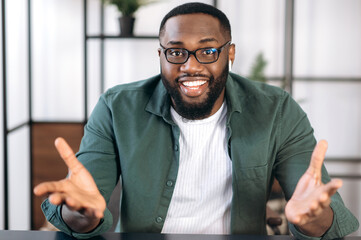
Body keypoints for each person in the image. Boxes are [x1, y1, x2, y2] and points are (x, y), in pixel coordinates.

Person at [34, 2, 359, 239]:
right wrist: (79, 213)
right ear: (160, 55)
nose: (191, 66)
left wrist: (310, 219)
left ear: (229, 54)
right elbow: (84, 211)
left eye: (207, 51)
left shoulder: (276, 110)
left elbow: (324, 221)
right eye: (176, 52)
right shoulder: (117, 107)